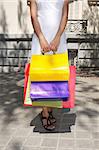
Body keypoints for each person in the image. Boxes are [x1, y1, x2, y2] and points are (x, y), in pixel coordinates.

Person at [29, 0, 69, 130]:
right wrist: (41, 38)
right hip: (41, 37)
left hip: (59, 38)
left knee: (56, 74)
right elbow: (34, 16)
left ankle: (50, 108)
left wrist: (57, 37)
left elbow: (64, 15)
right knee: (42, 75)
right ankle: (45, 112)